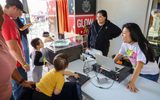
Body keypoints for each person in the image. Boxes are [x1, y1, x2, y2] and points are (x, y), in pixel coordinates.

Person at [0, 4, 34, 100]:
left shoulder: (7, 21)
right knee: (20, 92)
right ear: (14, 8)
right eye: (0, 14)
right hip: (18, 64)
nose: (2, 18)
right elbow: (13, 48)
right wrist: (23, 63)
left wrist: (22, 81)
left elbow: (8, 56)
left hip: (9, 89)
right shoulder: (7, 22)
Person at [113, 23, 159, 92]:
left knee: (142, 93)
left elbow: (139, 66)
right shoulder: (125, 44)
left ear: (132, 34)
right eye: (122, 33)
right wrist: (109, 64)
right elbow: (119, 55)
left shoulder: (141, 45)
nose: (122, 35)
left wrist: (132, 82)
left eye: (124, 33)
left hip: (150, 74)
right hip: (138, 71)